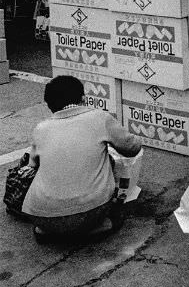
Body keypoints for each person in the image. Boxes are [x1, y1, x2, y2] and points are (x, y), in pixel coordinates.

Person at [23, 74, 142, 242]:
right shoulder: (99, 117)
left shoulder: (41, 128)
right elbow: (132, 148)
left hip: (41, 216)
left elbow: (32, 165)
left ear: (49, 105)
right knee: (109, 160)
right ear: (83, 98)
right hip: (90, 211)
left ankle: (49, 232)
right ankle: (99, 226)